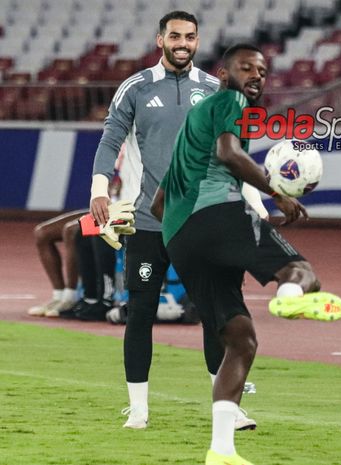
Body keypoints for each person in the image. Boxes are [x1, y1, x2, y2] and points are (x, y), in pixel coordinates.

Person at [151, 43, 341, 465]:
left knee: (240, 341)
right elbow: (229, 153)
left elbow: (157, 206)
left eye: (262, 70)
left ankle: (221, 451)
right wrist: (277, 192)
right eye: (246, 68)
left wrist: (179, 246)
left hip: (179, 238)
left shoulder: (192, 126)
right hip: (216, 213)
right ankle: (288, 298)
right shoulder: (230, 101)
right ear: (224, 75)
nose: (256, 76)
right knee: (302, 270)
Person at [89, 10, 256, 431]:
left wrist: (253, 202)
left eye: (191, 37)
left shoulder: (215, 90)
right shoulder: (136, 88)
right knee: (140, 311)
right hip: (149, 221)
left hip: (202, 222)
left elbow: (235, 152)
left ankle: (227, 409)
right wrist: (97, 190)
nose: (183, 43)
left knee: (215, 315)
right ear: (160, 39)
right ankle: (139, 410)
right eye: (175, 36)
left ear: (198, 42)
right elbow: (110, 139)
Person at [26, 211, 84, 317]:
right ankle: (58, 296)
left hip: (117, 212)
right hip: (99, 208)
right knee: (42, 232)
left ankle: (70, 297)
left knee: (71, 230)